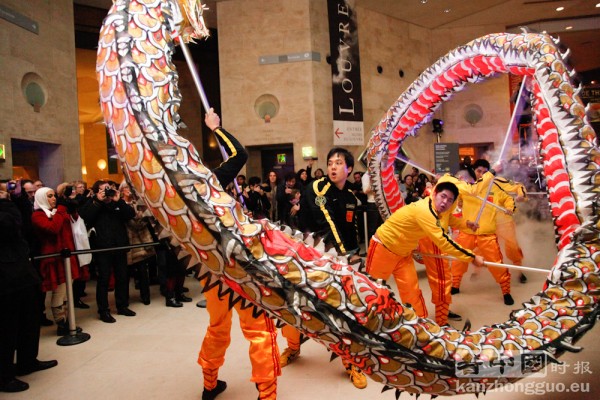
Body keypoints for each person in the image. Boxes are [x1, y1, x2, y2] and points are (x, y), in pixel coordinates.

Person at [197, 108, 280, 400]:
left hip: (210, 269)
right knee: (258, 328)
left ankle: (209, 384)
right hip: (240, 266)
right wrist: (216, 128)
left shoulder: (177, 194)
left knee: (217, 326)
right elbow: (239, 155)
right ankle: (266, 393)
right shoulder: (206, 182)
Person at [281, 147, 367, 390]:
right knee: (295, 304)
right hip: (310, 256)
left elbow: (350, 230)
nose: (333, 166)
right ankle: (293, 348)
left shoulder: (351, 196)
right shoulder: (319, 188)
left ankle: (351, 362)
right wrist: (343, 257)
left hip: (340, 258)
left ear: (349, 168)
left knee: (345, 311)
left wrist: (355, 255)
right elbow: (326, 224)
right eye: (330, 162)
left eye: (339, 163)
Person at [366, 181, 485, 322]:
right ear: (434, 194)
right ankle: (365, 325)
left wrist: (466, 224)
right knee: (372, 291)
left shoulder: (437, 210)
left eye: (450, 200)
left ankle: (421, 327)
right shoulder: (425, 211)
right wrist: (472, 257)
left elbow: (450, 219)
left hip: (404, 254)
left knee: (413, 293)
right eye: (443, 196)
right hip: (383, 248)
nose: (445, 202)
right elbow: (444, 242)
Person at [1, 183, 57, 393]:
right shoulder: (5, 209)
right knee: (7, 327)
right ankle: (5, 375)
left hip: (21, 268)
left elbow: (23, 225)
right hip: (5, 277)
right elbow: (6, 226)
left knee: (29, 319)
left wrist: (16, 199)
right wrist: (5, 203)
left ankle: (28, 361)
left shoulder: (11, 205)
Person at [450, 159, 516, 305]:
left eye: (485, 171)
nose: (481, 174)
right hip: (467, 232)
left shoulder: (495, 189)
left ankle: (506, 291)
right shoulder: (467, 187)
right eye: (479, 171)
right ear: (474, 171)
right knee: (459, 261)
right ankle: (455, 285)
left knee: (496, 264)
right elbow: (455, 200)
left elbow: (508, 199)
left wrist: (510, 208)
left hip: (487, 235)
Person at [79, 180, 136, 323]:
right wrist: (98, 201)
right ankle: (103, 310)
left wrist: (118, 201)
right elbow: (86, 217)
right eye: (104, 190)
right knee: (104, 279)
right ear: (97, 191)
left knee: (122, 277)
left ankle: (122, 306)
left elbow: (130, 214)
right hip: (102, 247)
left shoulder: (116, 202)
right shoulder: (92, 203)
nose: (108, 192)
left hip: (119, 245)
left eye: (110, 189)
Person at [31, 187, 81, 336]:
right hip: (53, 258)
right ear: (41, 198)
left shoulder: (58, 212)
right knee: (59, 292)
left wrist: (71, 208)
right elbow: (53, 228)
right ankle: (61, 323)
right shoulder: (37, 215)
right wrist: (60, 210)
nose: (54, 199)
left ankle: (67, 320)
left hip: (67, 255)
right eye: (50, 196)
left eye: (54, 196)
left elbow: (74, 221)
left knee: (67, 292)